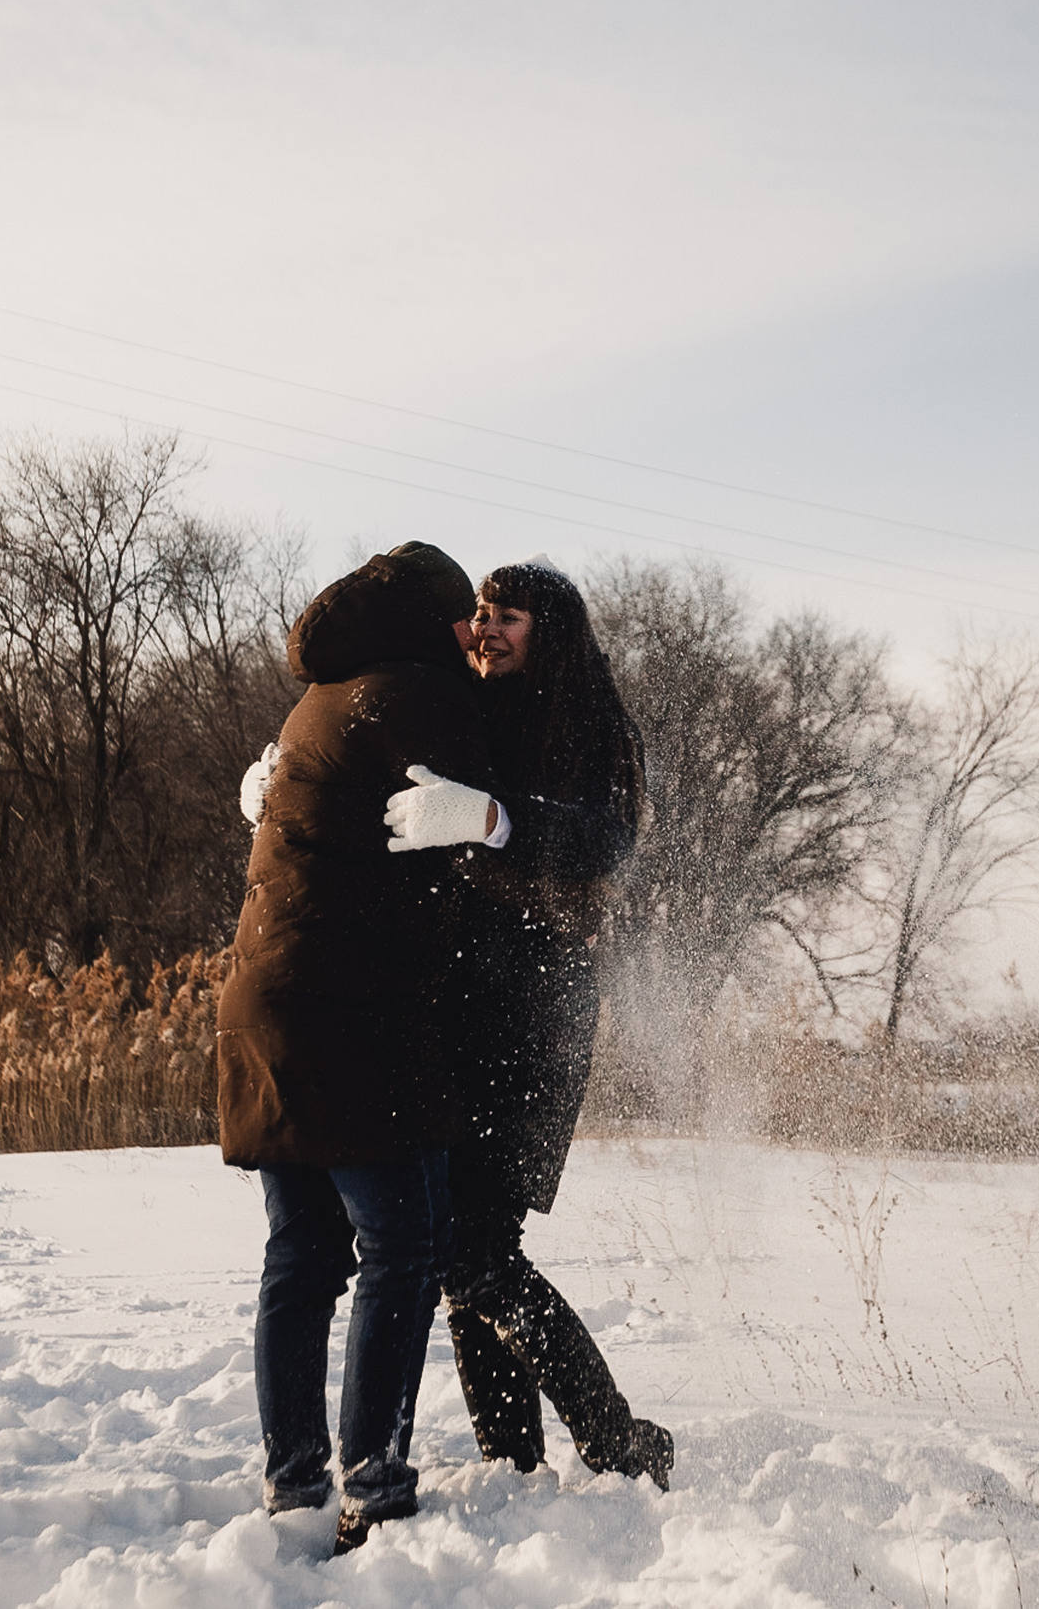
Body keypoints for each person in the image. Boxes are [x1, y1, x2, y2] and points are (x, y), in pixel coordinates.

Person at [215, 541, 501, 1552]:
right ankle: (374, 1485)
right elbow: (479, 838)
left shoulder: (322, 697)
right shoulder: (421, 695)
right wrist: (502, 817)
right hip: (356, 1014)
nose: (475, 633)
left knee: (300, 1254)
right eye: (465, 616)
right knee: (403, 1248)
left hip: (263, 1004)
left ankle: (293, 1482)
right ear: (433, 619)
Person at [413, 558, 673, 1488]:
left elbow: (605, 841)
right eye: (481, 612)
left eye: (508, 616)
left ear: (548, 633)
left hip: (536, 1019)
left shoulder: (591, 724)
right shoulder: (465, 711)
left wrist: (495, 817)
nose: (486, 627)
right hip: (456, 1016)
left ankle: (617, 1440)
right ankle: (513, 1465)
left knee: (477, 1249)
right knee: (463, 1256)